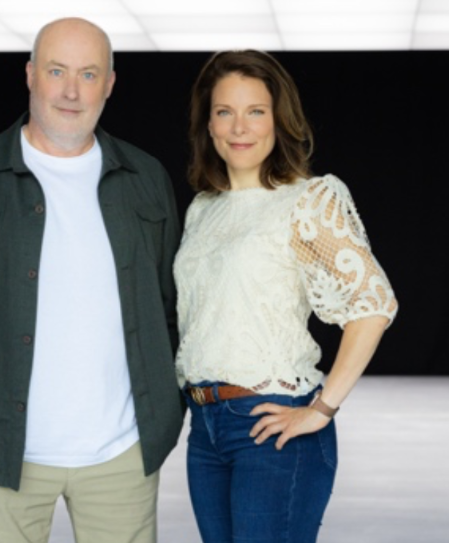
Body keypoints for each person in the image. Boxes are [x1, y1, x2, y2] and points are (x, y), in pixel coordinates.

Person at [0, 17, 183, 543]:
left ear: (109, 84)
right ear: (30, 75)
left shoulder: (146, 179)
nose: (71, 91)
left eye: (88, 74)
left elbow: (173, 309)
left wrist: (166, 411)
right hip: (0, 454)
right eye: (56, 71)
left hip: (122, 456)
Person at [174, 50, 399, 542]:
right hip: (205, 427)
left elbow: (373, 304)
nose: (240, 127)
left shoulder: (308, 199)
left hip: (270, 423)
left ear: (279, 120)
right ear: (208, 124)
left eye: (256, 111)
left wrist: (322, 408)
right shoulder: (203, 208)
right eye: (225, 111)